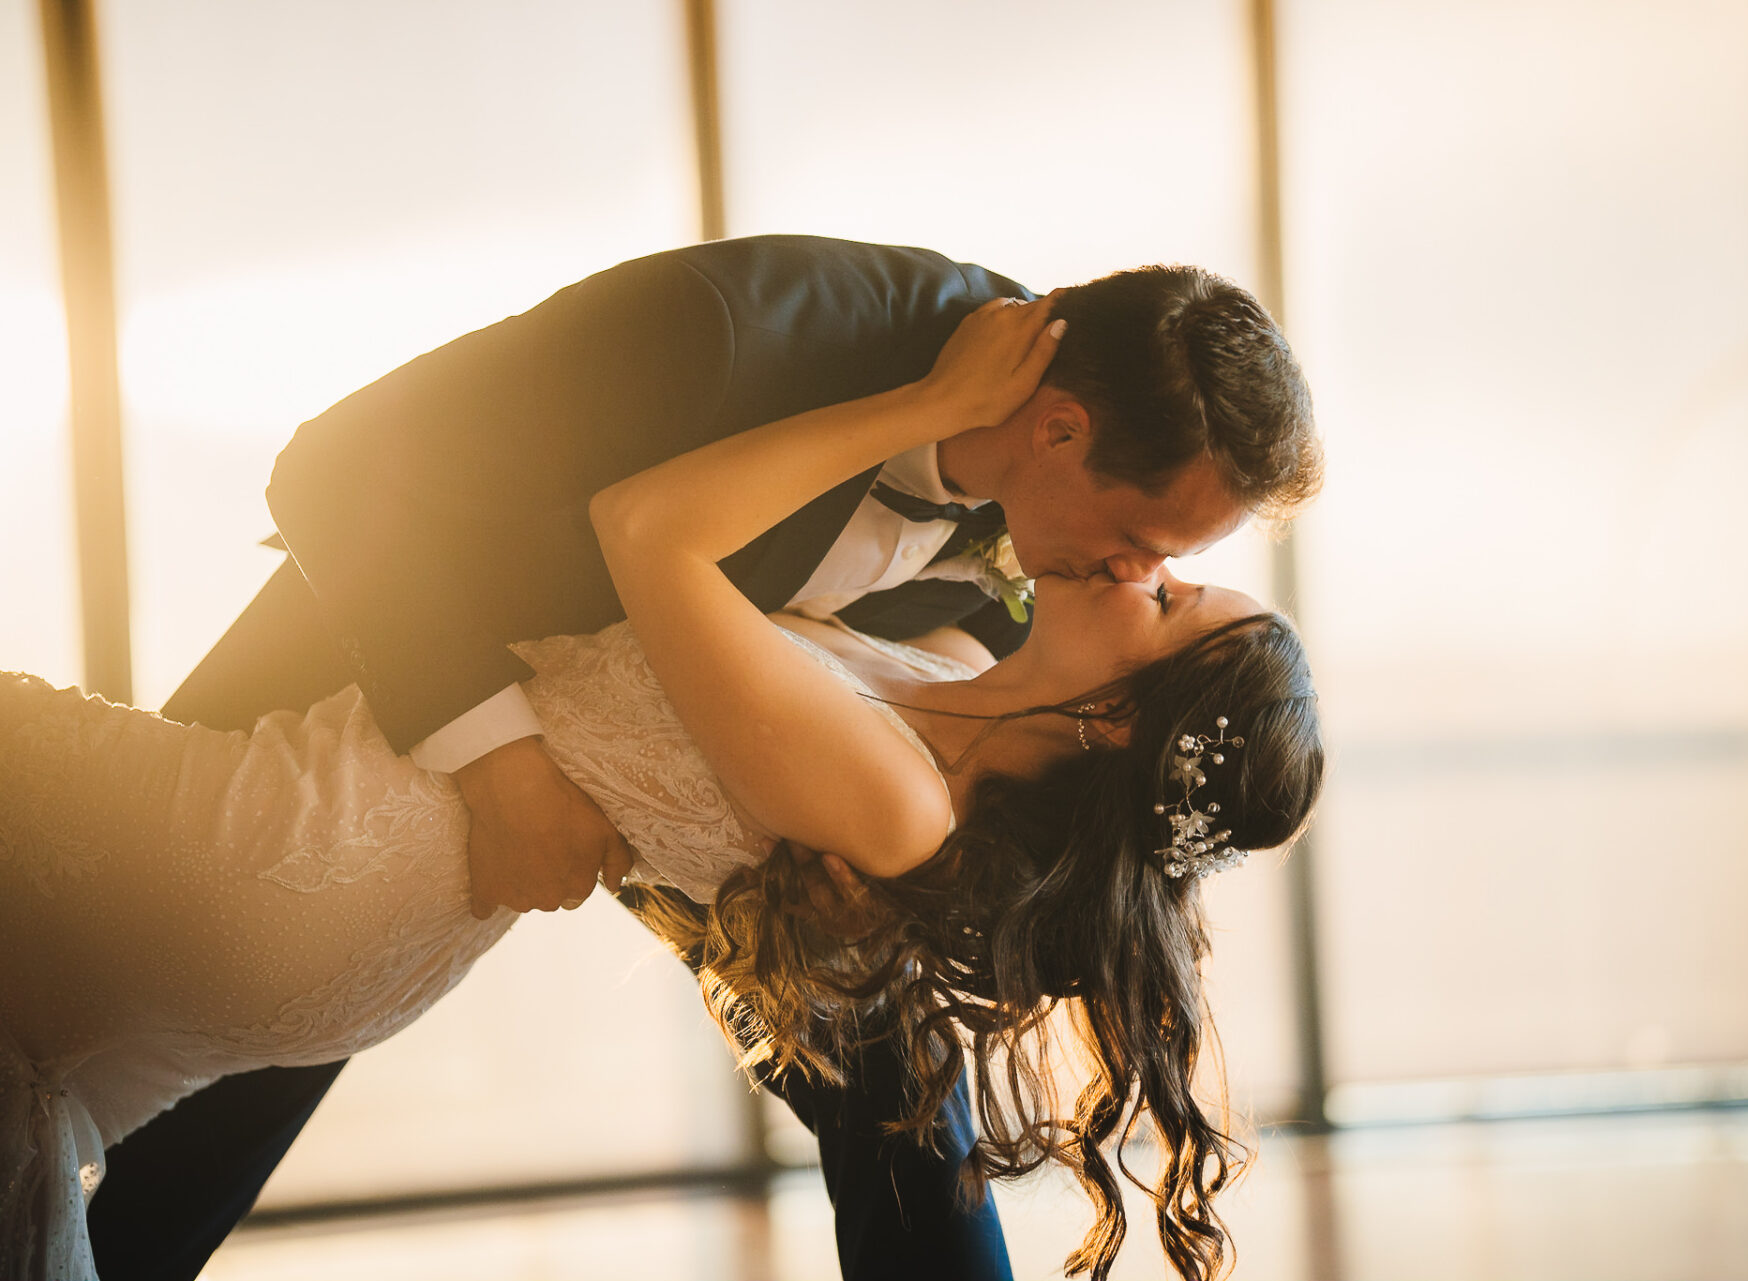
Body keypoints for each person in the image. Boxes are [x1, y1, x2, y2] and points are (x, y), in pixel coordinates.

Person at [65, 234, 1321, 1279]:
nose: (1144, 574)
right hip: (382, 682)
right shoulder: (737, 336)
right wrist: (499, 759)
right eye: (1144, 545)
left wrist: (900, 893)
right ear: (1054, 433)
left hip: (634, 779)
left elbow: (989, 746)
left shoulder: (1047, 574)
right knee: (145, 1029)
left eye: (1167, 573)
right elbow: (336, 471)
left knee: (886, 1049)